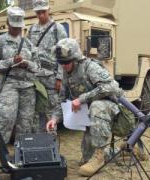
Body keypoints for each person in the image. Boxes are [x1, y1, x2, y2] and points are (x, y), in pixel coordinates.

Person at [46, 38, 123, 176]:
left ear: (75, 58)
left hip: (111, 108)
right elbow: (62, 99)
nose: (64, 66)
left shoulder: (89, 67)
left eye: (66, 62)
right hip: (91, 114)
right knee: (86, 159)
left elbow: (111, 87)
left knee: (96, 105)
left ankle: (99, 157)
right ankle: (125, 149)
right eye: (61, 63)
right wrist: (54, 118)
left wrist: (82, 99)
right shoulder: (65, 73)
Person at [0, 7, 39, 144]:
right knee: (6, 119)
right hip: (9, 85)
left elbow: (37, 67)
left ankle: (22, 154)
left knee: (25, 122)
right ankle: (1, 151)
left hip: (28, 87)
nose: (16, 30)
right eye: (14, 26)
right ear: (8, 23)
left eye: (19, 27)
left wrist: (27, 64)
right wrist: (11, 62)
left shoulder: (28, 44)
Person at [27, 0, 67, 132]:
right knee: (36, 113)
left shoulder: (57, 29)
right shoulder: (31, 30)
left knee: (51, 112)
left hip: (51, 77)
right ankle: (38, 145)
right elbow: (27, 52)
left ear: (48, 10)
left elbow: (64, 54)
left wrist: (60, 77)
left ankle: (51, 145)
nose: (41, 15)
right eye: (38, 12)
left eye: (43, 12)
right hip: (35, 77)